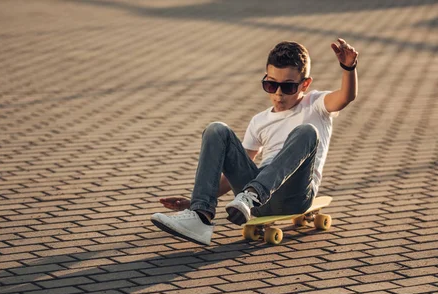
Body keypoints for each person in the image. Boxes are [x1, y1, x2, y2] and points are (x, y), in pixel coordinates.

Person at [151, 38, 359, 245]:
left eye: (288, 87)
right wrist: (193, 201)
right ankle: (200, 216)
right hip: (253, 200)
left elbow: (346, 96)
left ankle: (252, 194)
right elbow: (234, 172)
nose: (278, 94)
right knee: (217, 129)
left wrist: (348, 68)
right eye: (271, 85)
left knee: (307, 131)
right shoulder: (260, 121)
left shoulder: (315, 105)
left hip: (294, 195)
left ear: (305, 83)